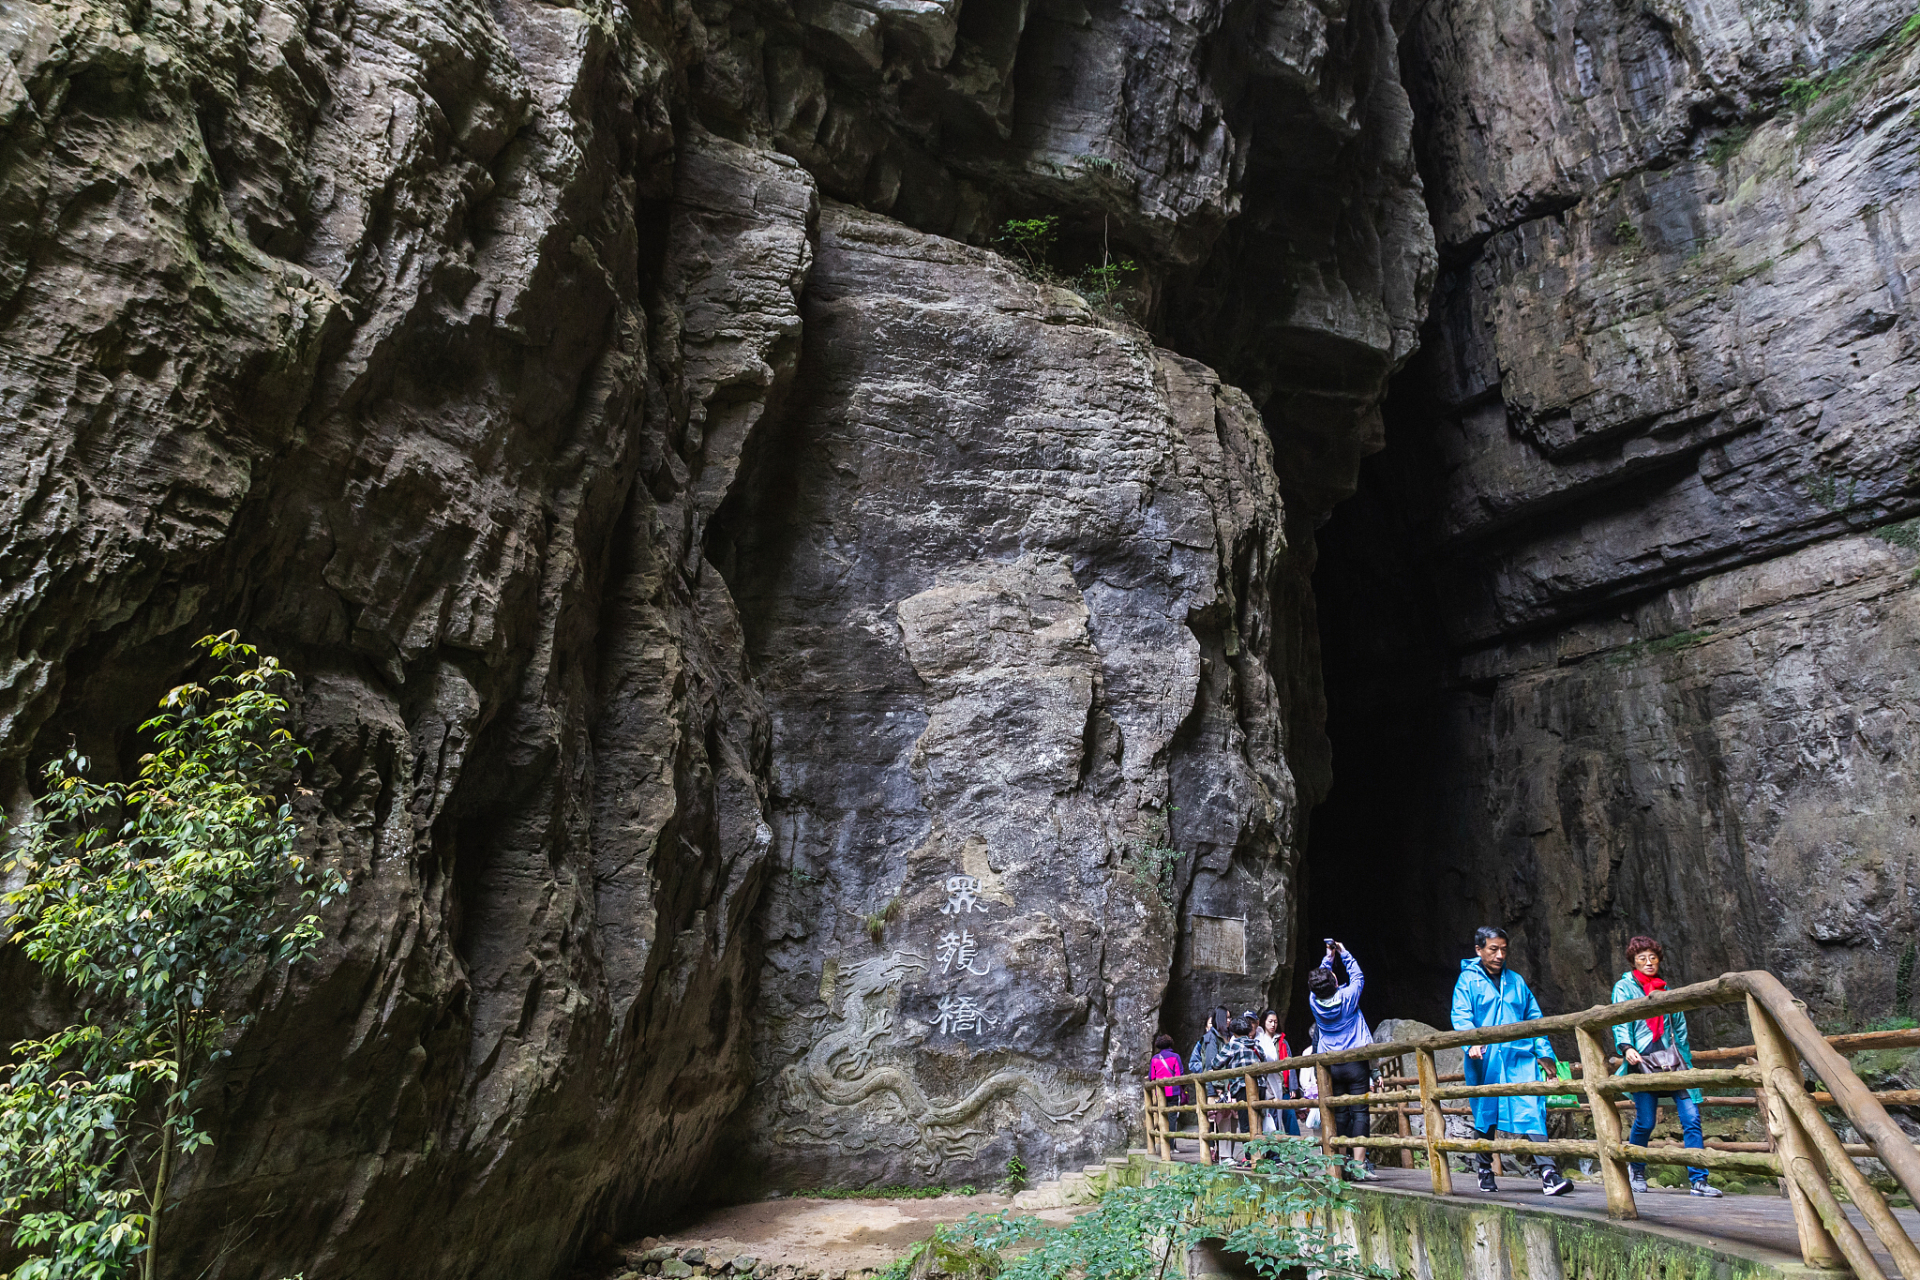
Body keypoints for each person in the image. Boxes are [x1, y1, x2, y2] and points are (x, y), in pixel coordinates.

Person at [1451, 927, 1574, 1195]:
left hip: (1519, 1055)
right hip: (1486, 1058)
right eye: (1493, 949)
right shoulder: (1467, 982)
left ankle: (1548, 1173)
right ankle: (1484, 1170)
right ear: (1479, 950)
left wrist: (1544, 1053)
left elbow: (1534, 1017)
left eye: (1504, 949)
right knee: (1487, 1114)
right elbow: (1461, 1016)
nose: (1499, 955)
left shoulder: (1516, 981)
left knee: (1532, 1108)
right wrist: (1471, 1043)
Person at [1612, 936, 1721, 1197]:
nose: (1648, 963)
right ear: (1633, 961)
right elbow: (1619, 1018)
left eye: (1652, 957)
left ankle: (1698, 1180)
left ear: (1659, 959)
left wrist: (1685, 1062)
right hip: (1642, 1061)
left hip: (1672, 1062)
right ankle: (1637, 1170)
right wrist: (1626, 1047)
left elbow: (1679, 1028)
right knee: (1646, 1122)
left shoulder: (1665, 988)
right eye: (1642, 958)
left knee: (1691, 1117)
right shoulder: (1624, 987)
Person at [1307, 940, 1374, 1175]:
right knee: (1360, 1112)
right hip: (1355, 1061)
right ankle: (1359, 1164)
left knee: (1341, 1113)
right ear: (1335, 982)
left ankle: (1342, 1163)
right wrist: (1343, 953)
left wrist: (1328, 957)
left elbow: (1320, 983)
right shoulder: (1348, 996)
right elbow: (1357, 976)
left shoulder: (1314, 1002)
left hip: (1331, 1064)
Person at [1212, 1015, 1262, 1164]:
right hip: (1260, 1086)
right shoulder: (1256, 1044)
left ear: (1233, 1032)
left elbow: (1216, 1063)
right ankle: (1260, 1155)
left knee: (1246, 1123)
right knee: (1259, 1121)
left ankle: (1249, 1157)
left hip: (1242, 1087)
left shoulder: (1233, 1045)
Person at [1255, 1008, 1300, 1137]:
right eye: (1270, 1021)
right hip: (1268, 1086)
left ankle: (1298, 1148)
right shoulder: (1259, 1041)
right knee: (1272, 1117)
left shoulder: (1282, 1041)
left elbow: (1290, 1064)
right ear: (1264, 1022)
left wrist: (1293, 1087)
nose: (1273, 1024)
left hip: (1283, 1086)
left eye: (1275, 1022)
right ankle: (1275, 1149)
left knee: (1290, 1115)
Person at [1150, 1032, 1190, 1132]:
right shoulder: (1175, 1057)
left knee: (1162, 1116)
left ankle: (1165, 1145)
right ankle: (1172, 1145)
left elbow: (1152, 1077)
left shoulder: (1155, 1059)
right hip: (1174, 1091)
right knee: (1173, 1118)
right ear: (1170, 1043)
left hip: (1160, 1092)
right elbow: (1179, 1075)